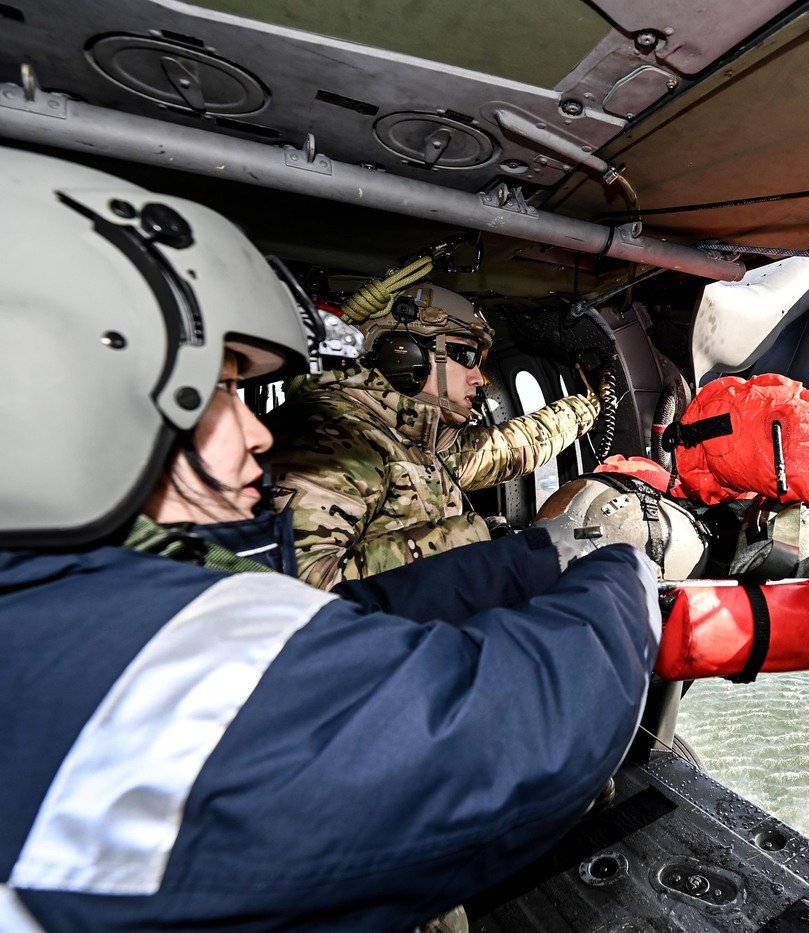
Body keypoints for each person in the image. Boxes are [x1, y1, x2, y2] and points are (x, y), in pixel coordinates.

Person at [0, 147, 659, 932]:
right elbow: (317, 607)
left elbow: (435, 516)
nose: (255, 431)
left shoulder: (404, 441)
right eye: (219, 394)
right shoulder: (327, 444)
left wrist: (556, 500)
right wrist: (622, 575)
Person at [265, 280, 603, 588]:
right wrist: (472, 542)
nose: (479, 379)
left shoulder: (416, 439)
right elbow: (305, 588)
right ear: (403, 354)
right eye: (465, 355)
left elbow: (509, 447)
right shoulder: (334, 436)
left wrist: (589, 406)